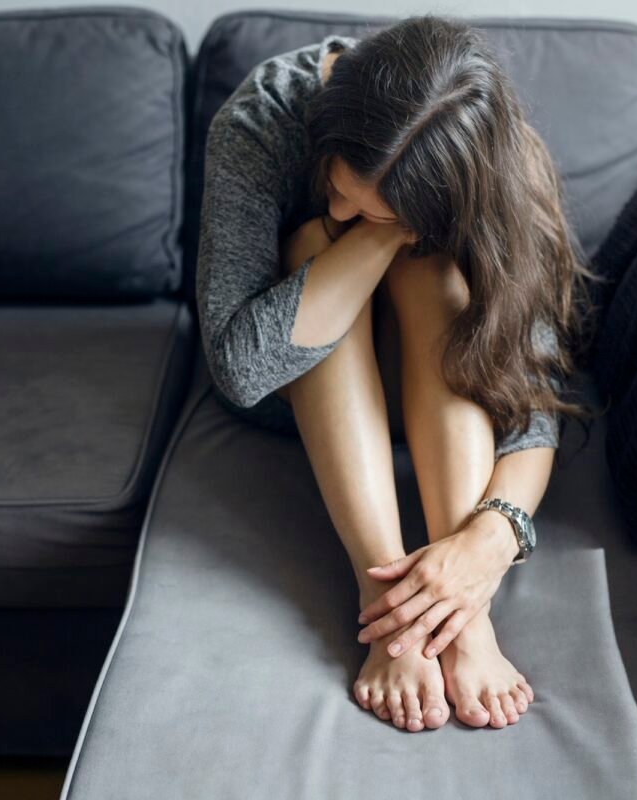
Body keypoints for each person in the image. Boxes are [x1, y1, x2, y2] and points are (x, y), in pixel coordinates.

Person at [195, 15, 598, 733]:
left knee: (434, 269)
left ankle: (458, 623)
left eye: (375, 208)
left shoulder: (496, 166)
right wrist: (372, 233)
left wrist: (483, 551)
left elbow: (533, 405)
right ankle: (391, 615)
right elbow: (239, 370)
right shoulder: (263, 119)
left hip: (442, 390)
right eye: (341, 184)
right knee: (311, 240)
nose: (341, 205)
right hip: (294, 392)